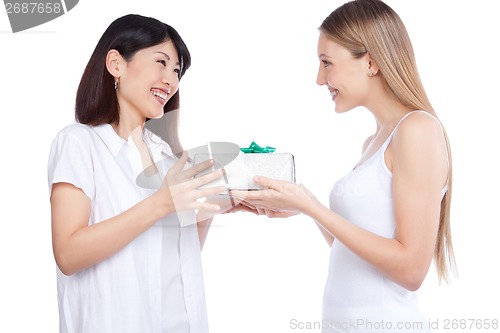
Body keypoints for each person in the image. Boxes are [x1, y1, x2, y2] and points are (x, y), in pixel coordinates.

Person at [233, 0, 456, 332]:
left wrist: (311, 206)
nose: (320, 79)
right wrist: (304, 207)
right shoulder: (375, 141)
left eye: (326, 63)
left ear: (370, 62)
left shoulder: (417, 130)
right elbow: (355, 254)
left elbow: (411, 270)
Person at [47, 14, 228, 333]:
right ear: (116, 64)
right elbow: (68, 253)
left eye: (176, 71)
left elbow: (174, 257)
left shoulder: (168, 157)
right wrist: (161, 203)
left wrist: (211, 206)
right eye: (162, 62)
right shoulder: (79, 143)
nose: (171, 81)